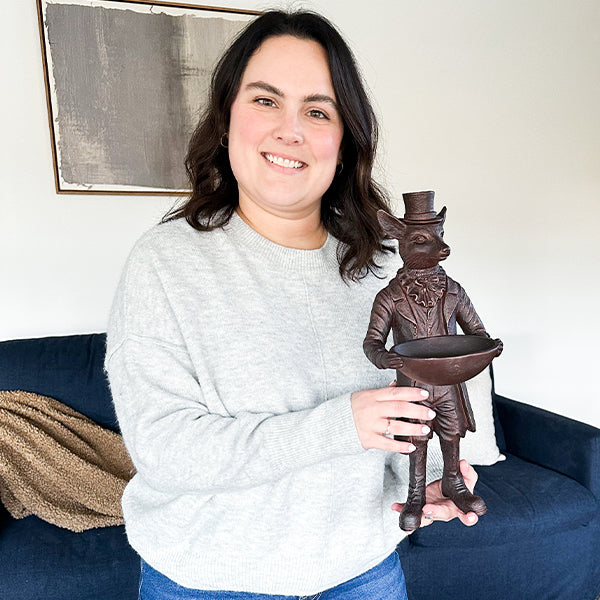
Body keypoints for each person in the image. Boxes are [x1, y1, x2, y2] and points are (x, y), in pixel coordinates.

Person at [105, 10, 481, 600]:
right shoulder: (166, 262)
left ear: (344, 141)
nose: (291, 130)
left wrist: (431, 477)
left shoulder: (382, 266)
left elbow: (408, 406)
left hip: (363, 571)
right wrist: (341, 424)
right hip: (209, 580)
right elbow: (167, 452)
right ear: (226, 119)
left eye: (317, 111)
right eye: (265, 101)